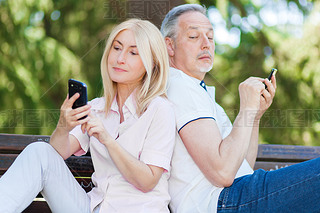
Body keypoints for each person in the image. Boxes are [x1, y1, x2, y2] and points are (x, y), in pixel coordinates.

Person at [0, 18, 175, 213]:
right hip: (92, 208)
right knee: (39, 152)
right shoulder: (96, 108)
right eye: (116, 48)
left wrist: (108, 140)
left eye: (133, 52)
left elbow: (148, 181)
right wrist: (63, 126)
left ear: (151, 64)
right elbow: (55, 155)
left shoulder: (160, 110)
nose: (120, 58)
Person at [161, 4, 320, 213]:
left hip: (235, 196)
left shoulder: (195, 90)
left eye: (210, 37)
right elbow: (223, 174)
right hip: (221, 203)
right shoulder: (181, 86)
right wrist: (245, 109)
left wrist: (253, 116)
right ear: (170, 46)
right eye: (193, 37)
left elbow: (241, 166)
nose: (205, 44)